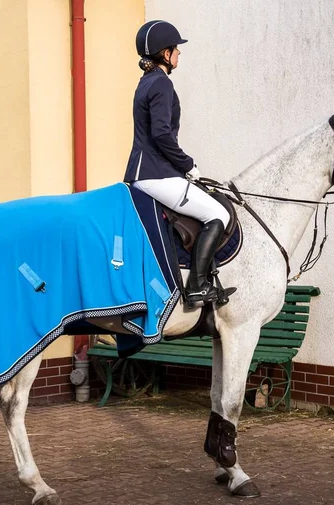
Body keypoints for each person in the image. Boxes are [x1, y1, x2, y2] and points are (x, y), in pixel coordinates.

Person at [124, 20, 231, 306]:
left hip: (146, 171)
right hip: (157, 174)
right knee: (219, 215)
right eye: (176, 49)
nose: (179, 54)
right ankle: (196, 287)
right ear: (165, 53)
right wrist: (188, 165)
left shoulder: (145, 82)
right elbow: (161, 133)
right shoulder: (161, 83)